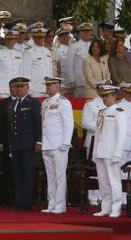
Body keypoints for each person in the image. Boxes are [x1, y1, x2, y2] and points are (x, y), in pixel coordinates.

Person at [40, 76, 74, 214]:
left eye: (50, 85)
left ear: (58, 86)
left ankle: (60, 205)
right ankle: (51, 203)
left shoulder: (63, 102)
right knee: (50, 176)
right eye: (47, 85)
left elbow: (68, 123)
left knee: (59, 175)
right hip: (47, 144)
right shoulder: (45, 102)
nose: (47, 88)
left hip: (59, 144)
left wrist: (66, 142)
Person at [7, 77, 42, 211]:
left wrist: (39, 141)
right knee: (17, 174)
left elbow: (38, 123)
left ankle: (26, 202)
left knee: (27, 173)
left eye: (22, 87)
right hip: (16, 144)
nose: (19, 89)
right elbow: (11, 125)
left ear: (27, 88)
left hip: (28, 143)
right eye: (17, 87)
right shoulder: (13, 104)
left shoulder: (32, 102)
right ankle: (18, 200)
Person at [92, 84, 126, 218]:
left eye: (106, 96)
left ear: (114, 96)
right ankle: (105, 207)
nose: (104, 98)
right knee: (103, 181)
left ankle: (116, 208)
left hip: (111, 153)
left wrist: (117, 153)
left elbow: (121, 134)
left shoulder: (119, 112)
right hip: (100, 151)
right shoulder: (101, 112)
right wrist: (95, 152)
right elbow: (98, 134)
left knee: (114, 181)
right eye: (103, 96)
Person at [82, 81, 107, 205]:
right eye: (102, 88)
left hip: (107, 142)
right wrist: (103, 128)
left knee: (104, 169)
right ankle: (92, 196)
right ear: (97, 89)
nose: (104, 91)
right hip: (93, 140)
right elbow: (86, 123)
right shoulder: (90, 104)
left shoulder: (111, 104)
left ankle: (103, 196)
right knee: (93, 168)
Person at [0, 80, 18, 205]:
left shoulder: (26, 102)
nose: (13, 89)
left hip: (20, 143)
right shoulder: (3, 104)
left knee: (19, 170)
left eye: (15, 87)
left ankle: (19, 196)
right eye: (11, 87)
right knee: (8, 170)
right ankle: (9, 198)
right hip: (6, 142)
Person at [117, 82, 131, 204]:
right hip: (122, 143)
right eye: (128, 93)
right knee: (121, 170)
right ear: (123, 92)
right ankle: (120, 197)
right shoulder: (118, 105)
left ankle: (129, 197)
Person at [22, 27, 53, 97]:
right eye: (37, 37)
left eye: (41, 37)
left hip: (47, 88)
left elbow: (50, 70)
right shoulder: (28, 51)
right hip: (35, 89)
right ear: (33, 37)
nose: (39, 39)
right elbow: (26, 71)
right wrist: (29, 88)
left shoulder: (47, 51)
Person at [66, 22, 93, 97]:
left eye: (88, 31)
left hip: (92, 81)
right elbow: (69, 65)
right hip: (80, 81)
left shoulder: (93, 46)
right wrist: (71, 80)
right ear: (80, 33)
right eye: (84, 32)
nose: (86, 33)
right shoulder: (74, 46)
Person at [0, 30, 23, 97]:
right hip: (3, 88)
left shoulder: (19, 53)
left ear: (15, 40)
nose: (9, 41)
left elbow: (21, 71)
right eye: (8, 39)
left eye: (12, 39)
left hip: (17, 88)